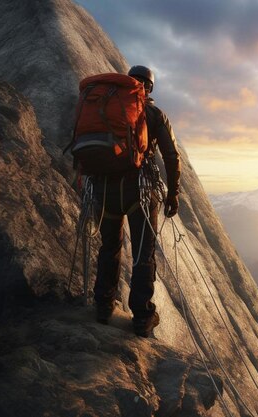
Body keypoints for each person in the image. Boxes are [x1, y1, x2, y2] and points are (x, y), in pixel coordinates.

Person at [93, 65, 181, 337]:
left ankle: (103, 306)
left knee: (109, 246)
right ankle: (142, 316)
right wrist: (173, 192)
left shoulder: (104, 106)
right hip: (138, 191)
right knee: (143, 253)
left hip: (105, 188)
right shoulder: (153, 114)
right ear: (150, 87)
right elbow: (171, 156)